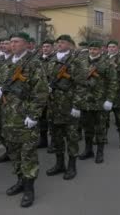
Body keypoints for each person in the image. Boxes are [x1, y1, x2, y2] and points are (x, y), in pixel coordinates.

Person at [0, 32, 48, 208]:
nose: (12, 45)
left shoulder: (34, 64)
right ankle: (20, 181)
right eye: (11, 42)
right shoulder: (7, 63)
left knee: (28, 154)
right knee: (14, 153)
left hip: (25, 118)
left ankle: (29, 189)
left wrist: (33, 116)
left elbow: (41, 92)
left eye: (16, 42)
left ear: (26, 44)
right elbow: (0, 83)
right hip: (9, 117)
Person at [44, 35, 87, 180]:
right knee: (56, 137)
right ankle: (60, 163)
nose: (59, 44)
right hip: (53, 105)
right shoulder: (51, 60)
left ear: (70, 45)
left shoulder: (76, 61)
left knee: (71, 137)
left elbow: (81, 85)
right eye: (58, 42)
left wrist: (77, 105)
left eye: (63, 42)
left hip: (69, 105)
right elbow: (45, 78)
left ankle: (72, 166)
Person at [80, 41, 118, 164]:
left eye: (95, 49)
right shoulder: (82, 62)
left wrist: (109, 99)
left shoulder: (107, 63)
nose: (92, 51)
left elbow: (113, 82)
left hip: (100, 101)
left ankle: (100, 152)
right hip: (86, 100)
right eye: (91, 49)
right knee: (87, 127)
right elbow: (78, 80)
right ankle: (88, 150)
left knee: (100, 128)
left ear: (101, 50)